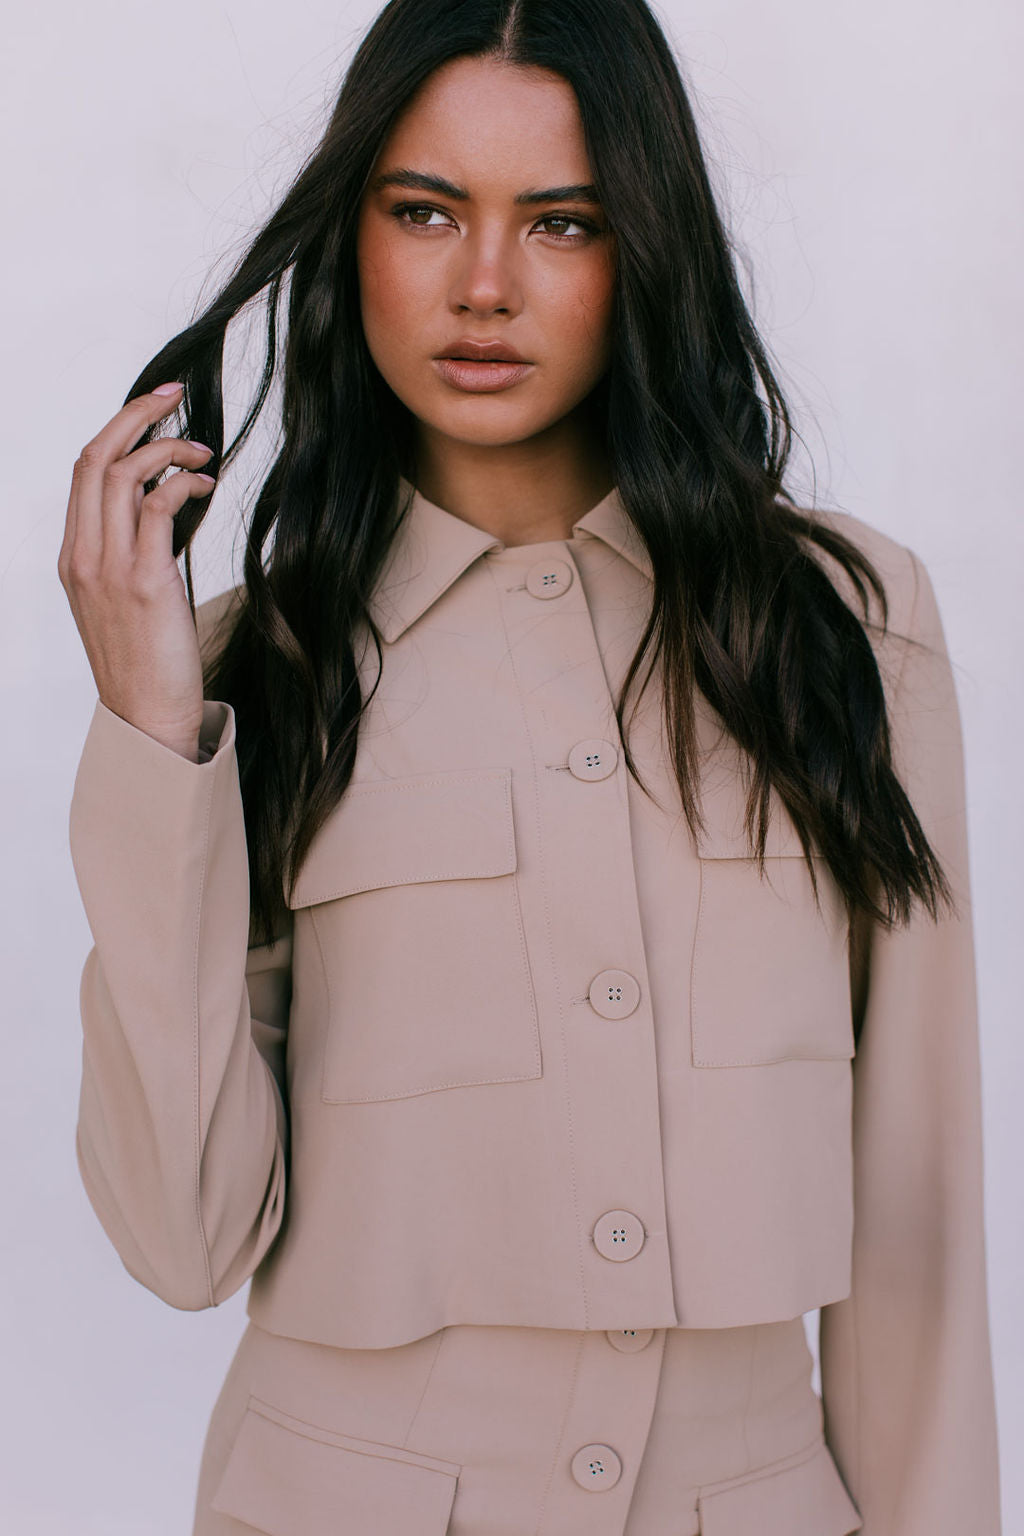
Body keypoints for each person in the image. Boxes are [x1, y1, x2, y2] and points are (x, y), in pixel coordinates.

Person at [58, 0, 1002, 1532]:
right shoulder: (253, 680)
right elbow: (182, 1243)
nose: (482, 286)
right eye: (423, 211)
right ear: (349, 236)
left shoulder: (843, 629)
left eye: (560, 222)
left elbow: (920, 1235)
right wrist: (155, 738)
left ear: (646, 246)